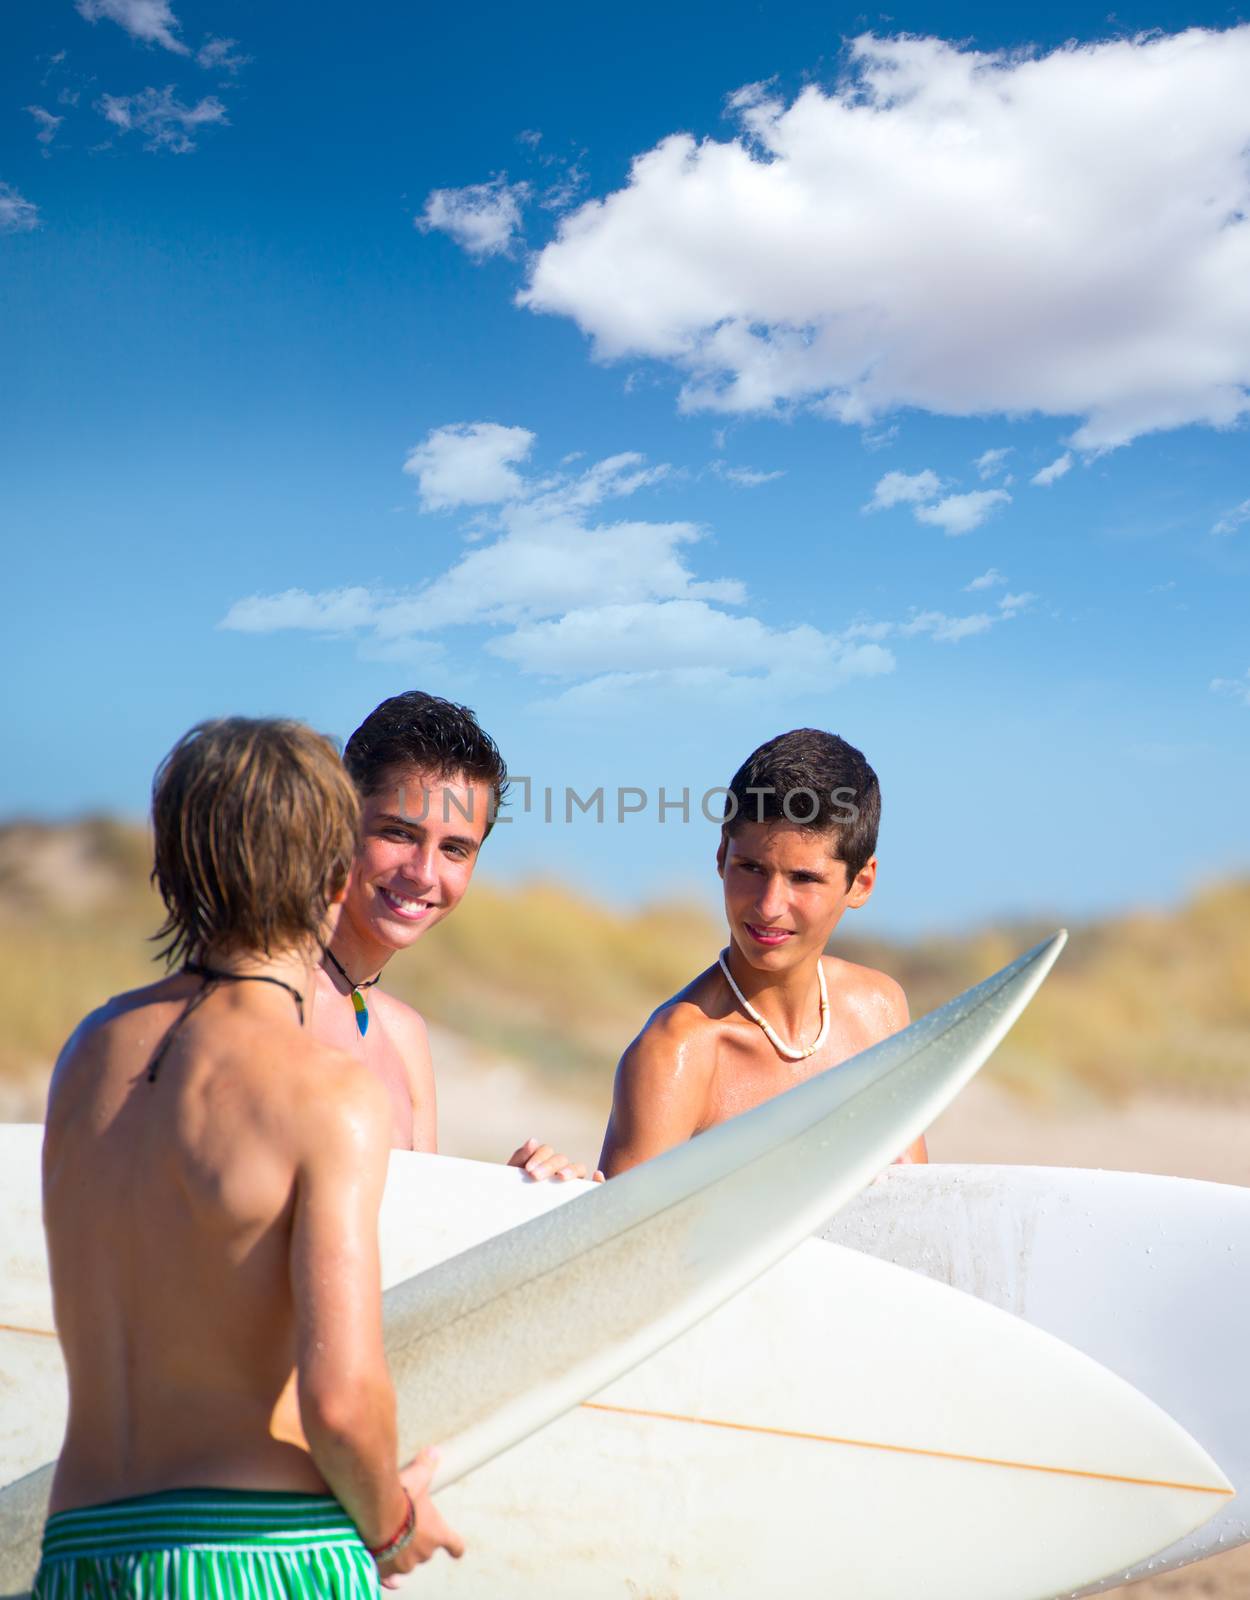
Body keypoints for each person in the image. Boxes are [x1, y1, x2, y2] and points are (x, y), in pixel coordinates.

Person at [36, 717, 463, 1600]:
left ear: (171, 862)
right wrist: (395, 1523)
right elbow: (339, 1402)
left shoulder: (87, 1052)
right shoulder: (327, 1092)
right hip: (258, 1549)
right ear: (335, 873)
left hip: (80, 1546)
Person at [599, 727, 927, 1177]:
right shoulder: (677, 1054)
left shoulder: (879, 1010)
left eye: (803, 878)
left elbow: (919, 1211)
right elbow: (619, 1241)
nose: (769, 907)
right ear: (721, 856)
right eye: (750, 868)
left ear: (861, 883)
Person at [315, 690, 597, 1180]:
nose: (423, 874)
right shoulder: (271, 998)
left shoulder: (404, 1037)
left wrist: (507, 1198)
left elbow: (419, 1234)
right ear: (339, 817)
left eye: (455, 850)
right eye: (399, 833)